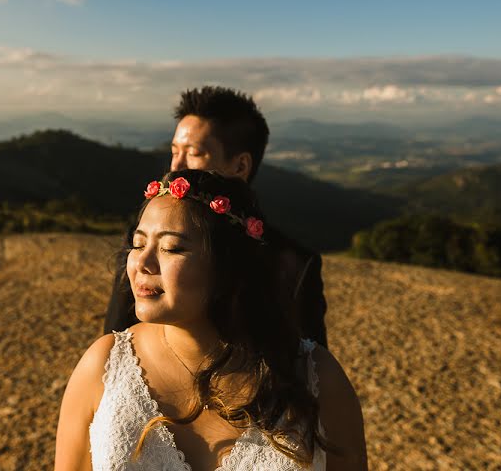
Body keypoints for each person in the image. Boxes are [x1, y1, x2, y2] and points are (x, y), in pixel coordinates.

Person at [54, 170, 367, 470]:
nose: (142, 263)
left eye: (171, 248)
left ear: (227, 267)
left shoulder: (318, 379)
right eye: (138, 244)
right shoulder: (103, 367)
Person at [104, 86, 328, 348]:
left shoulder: (294, 264)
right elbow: (115, 340)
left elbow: (309, 364)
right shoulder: (143, 242)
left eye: (194, 153)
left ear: (240, 166)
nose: (176, 167)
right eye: (175, 151)